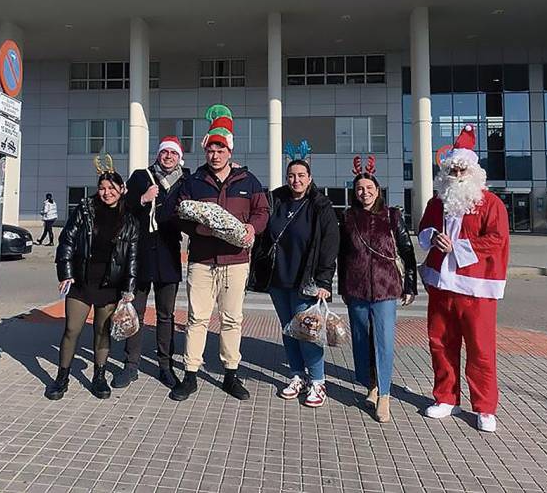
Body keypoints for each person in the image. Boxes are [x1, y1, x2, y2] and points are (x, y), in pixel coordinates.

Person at [169, 104, 270, 402]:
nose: (215, 155)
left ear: (229, 151)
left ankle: (231, 374)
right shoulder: (194, 181)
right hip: (201, 261)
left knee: (231, 319)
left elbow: (262, 211)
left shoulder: (248, 181)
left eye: (221, 149)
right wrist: (202, 229)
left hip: (236, 261)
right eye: (211, 149)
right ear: (205, 151)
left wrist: (252, 228)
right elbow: (180, 215)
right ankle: (190, 374)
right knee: (197, 318)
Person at [418, 124, 510, 433]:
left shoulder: (491, 204)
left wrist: (457, 247)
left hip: (476, 288)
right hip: (442, 286)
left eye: (461, 169)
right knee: (440, 343)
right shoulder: (437, 202)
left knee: (480, 348)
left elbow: (496, 239)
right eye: (452, 170)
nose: (456, 175)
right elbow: (424, 231)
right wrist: (433, 238)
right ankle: (446, 397)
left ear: (473, 171)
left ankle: (484, 407)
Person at [249, 158, 339, 408]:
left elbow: (330, 245)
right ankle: (297, 375)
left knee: (308, 333)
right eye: (291, 175)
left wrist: (324, 280)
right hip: (278, 279)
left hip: (306, 281)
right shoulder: (277, 200)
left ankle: (318, 381)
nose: (296, 180)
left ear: (309, 178)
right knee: (289, 330)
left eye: (301, 175)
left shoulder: (320, 205)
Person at [47, 161, 139, 400]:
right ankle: (62, 377)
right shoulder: (85, 208)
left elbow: (131, 258)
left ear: (122, 189)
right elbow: (67, 240)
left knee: (102, 331)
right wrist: (65, 272)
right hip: (81, 280)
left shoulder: (129, 219)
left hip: (110, 285)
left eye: (111, 188)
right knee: (71, 329)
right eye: (102, 188)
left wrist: (128, 289)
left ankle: (99, 377)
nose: (106, 192)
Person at [337, 156, 417, 423]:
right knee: (361, 340)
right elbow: (342, 254)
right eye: (359, 189)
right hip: (356, 288)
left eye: (369, 188)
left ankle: (385, 394)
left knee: (384, 341)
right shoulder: (348, 217)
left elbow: (406, 251)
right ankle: (370, 384)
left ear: (377, 190)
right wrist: (342, 288)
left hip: (385, 288)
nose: (364, 193)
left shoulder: (392, 215)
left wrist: (410, 285)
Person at [111, 136, 191, 389]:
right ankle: (131, 365)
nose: (168, 156)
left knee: (166, 315)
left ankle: (165, 366)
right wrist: (143, 198)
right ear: (158, 154)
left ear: (180, 158)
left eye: (173, 153)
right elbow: (123, 208)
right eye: (164, 152)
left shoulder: (186, 180)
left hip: (168, 253)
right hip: (141, 253)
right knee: (136, 311)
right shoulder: (140, 176)